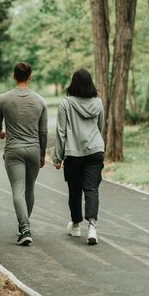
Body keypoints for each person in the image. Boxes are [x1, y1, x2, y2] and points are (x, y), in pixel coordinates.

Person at [0, 62, 48, 246]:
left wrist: (1, 133)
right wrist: (41, 154)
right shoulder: (40, 101)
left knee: (18, 189)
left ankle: (24, 227)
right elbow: (43, 131)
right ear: (30, 76)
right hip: (33, 149)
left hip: (13, 150)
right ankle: (24, 226)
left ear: (14, 76)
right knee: (29, 189)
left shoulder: (3, 99)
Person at [53, 68, 105, 245]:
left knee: (74, 190)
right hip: (95, 150)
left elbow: (61, 132)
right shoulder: (98, 103)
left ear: (73, 84)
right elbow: (101, 126)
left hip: (73, 153)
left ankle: (75, 225)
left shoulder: (65, 104)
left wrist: (57, 157)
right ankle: (92, 227)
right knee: (91, 189)